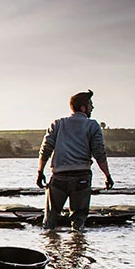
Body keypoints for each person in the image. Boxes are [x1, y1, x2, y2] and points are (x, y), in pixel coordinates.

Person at [36, 89, 114, 231]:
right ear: (83, 108)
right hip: (81, 178)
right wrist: (107, 176)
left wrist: (40, 171)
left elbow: (45, 149)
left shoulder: (57, 124)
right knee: (78, 222)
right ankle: (78, 243)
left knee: (50, 220)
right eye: (90, 104)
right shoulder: (92, 125)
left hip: (58, 177)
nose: (92, 107)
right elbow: (99, 153)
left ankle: (49, 243)